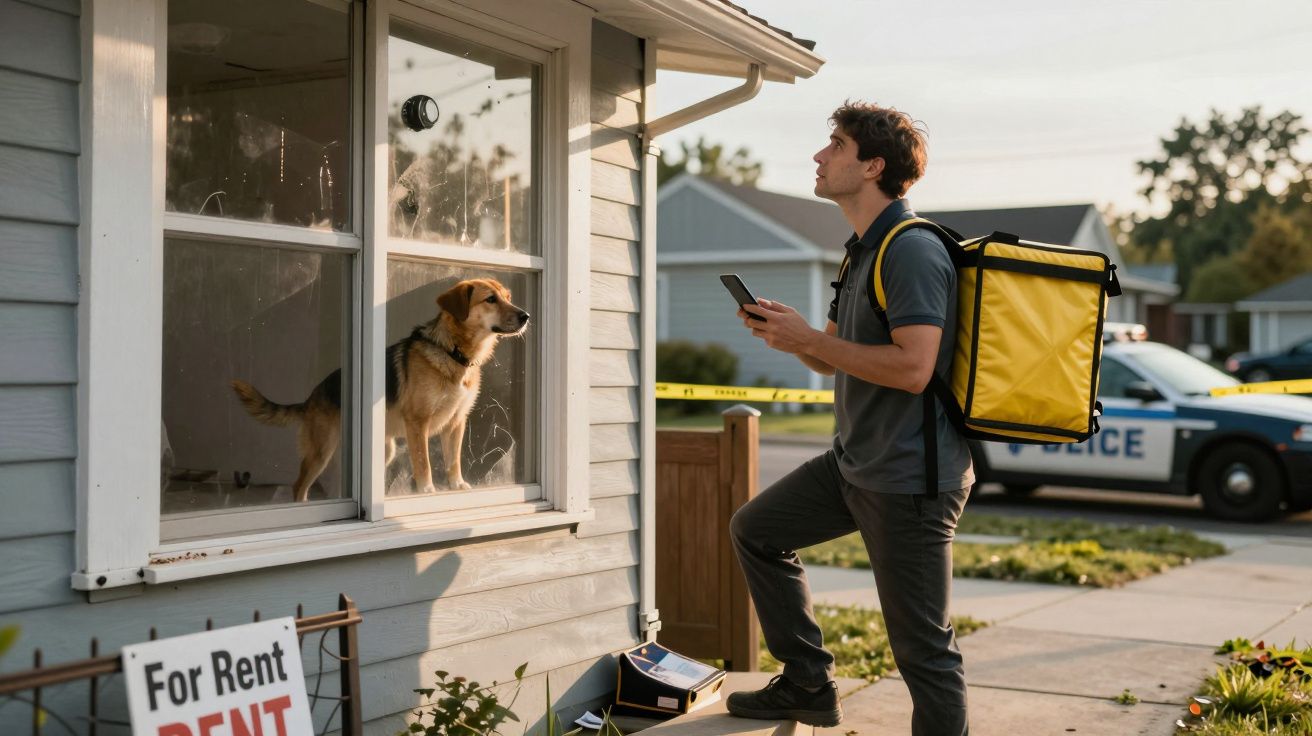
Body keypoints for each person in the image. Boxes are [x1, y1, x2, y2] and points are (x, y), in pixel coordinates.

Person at [724, 101, 974, 736]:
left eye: (833, 144)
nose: (818, 155)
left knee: (923, 649)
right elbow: (832, 363)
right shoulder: (861, 251)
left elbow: (914, 368)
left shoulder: (912, 250)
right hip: (856, 464)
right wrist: (793, 338)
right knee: (757, 530)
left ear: (872, 165)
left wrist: (813, 337)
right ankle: (807, 683)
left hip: (911, 479)